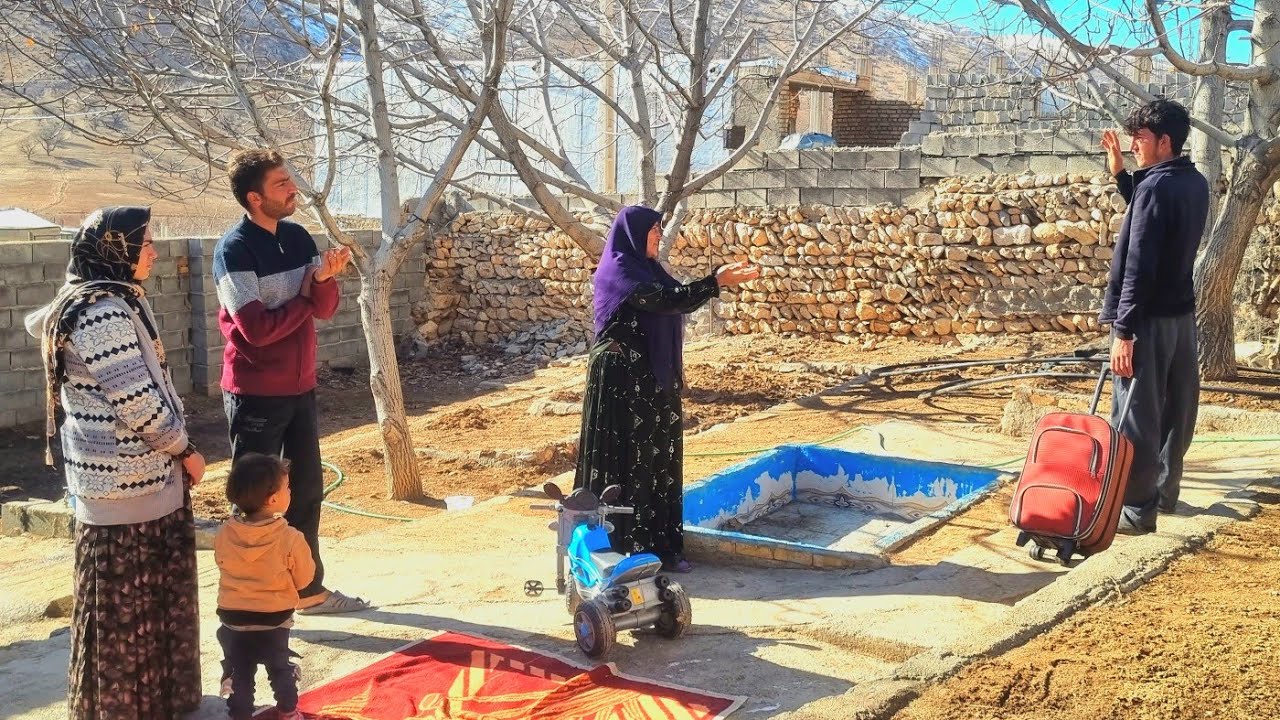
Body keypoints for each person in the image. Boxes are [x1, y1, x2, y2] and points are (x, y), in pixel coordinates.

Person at [26, 206, 205, 719]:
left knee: (136, 605)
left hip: (128, 483)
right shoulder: (101, 311)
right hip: (129, 484)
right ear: (115, 248)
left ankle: (154, 703)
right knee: (129, 609)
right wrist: (185, 451)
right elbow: (138, 402)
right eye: (143, 242)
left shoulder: (109, 300)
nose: (153, 250)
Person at [215, 149, 368, 613]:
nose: (293, 189)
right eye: (282, 184)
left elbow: (324, 307)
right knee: (256, 498)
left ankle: (307, 590)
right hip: (255, 392)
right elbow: (256, 330)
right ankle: (255, 596)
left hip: (300, 387)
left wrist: (319, 280)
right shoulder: (234, 251)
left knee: (305, 491)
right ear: (255, 197)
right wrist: (307, 293)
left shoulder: (299, 237)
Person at [574, 206, 759, 573]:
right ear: (634, 234)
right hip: (621, 384)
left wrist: (712, 284)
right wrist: (714, 283)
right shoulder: (619, 272)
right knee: (626, 461)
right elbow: (664, 301)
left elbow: (673, 298)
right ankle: (620, 549)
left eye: (660, 229)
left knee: (657, 459)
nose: (659, 236)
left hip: (652, 380)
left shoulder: (651, 270)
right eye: (654, 230)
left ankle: (660, 546)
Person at [1100, 98, 1210, 535]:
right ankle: (1165, 494)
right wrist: (1122, 176)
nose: (1133, 145)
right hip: (1181, 318)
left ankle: (1135, 510)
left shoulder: (1154, 188)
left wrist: (1123, 330)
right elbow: (1151, 215)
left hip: (1145, 321)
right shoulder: (1193, 182)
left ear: (1165, 142)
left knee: (1135, 416)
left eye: (1140, 139)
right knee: (1176, 409)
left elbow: (1138, 262)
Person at [215, 453, 315, 720]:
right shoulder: (291, 538)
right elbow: (305, 579)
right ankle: (288, 711)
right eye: (287, 487)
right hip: (274, 619)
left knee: (239, 671)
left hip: (233, 619)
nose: (290, 491)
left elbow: (222, 563)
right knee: (279, 667)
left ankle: (239, 714)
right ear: (273, 500)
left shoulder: (224, 533)